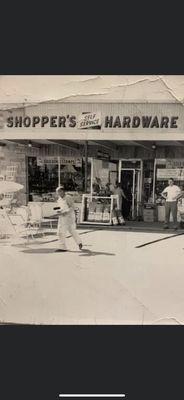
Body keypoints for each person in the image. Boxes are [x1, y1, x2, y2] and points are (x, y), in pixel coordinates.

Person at [55, 185, 83, 252]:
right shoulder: (59, 199)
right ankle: (64, 246)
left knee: (69, 231)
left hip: (69, 217)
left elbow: (72, 207)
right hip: (62, 217)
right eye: (57, 192)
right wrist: (59, 211)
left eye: (58, 192)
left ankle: (78, 243)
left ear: (62, 191)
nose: (57, 193)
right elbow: (60, 207)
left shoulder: (68, 197)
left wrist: (66, 212)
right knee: (61, 232)